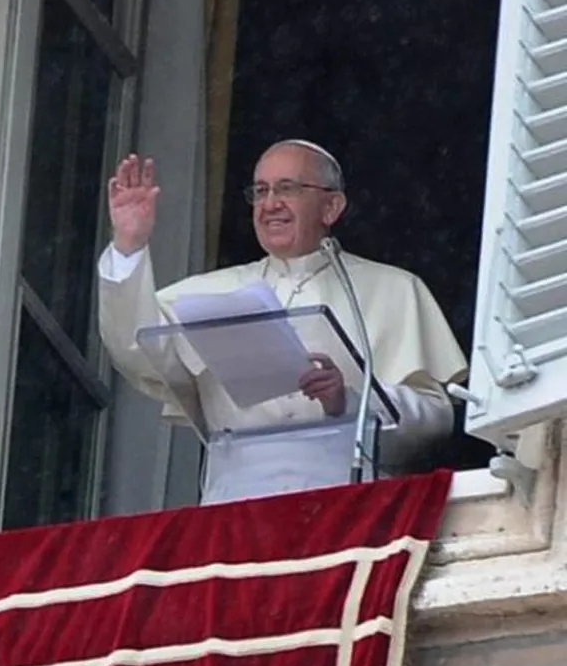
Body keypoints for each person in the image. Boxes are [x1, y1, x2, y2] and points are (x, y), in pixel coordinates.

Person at [97, 140, 468, 504]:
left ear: (331, 206)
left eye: (287, 188)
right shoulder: (208, 291)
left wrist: (351, 401)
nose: (270, 204)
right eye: (260, 191)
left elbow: (434, 422)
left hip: (349, 502)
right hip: (236, 503)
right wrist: (129, 245)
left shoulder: (393, 288)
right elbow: (134, 349)